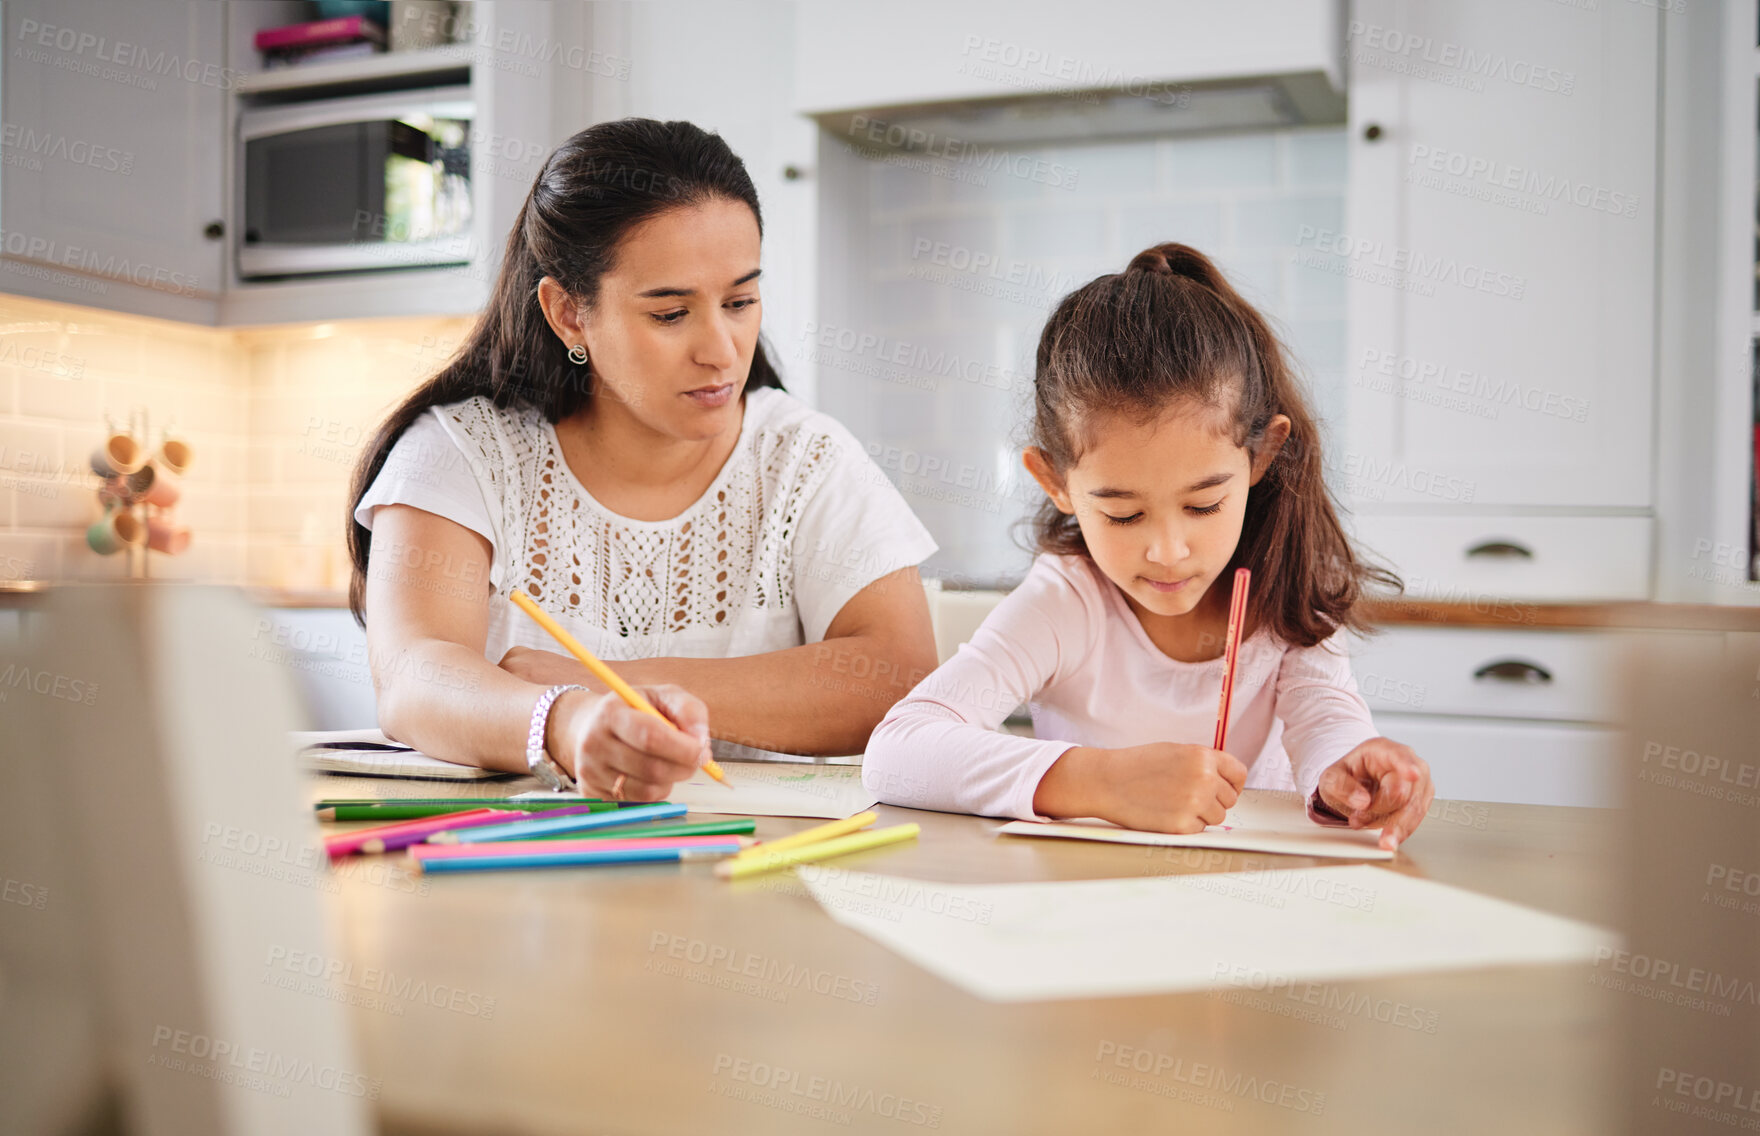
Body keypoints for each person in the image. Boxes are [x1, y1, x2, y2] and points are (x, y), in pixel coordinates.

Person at [347, 119, 938, 802]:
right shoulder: (458, 455)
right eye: (670, 314)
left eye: (740, 301)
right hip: (515, 876)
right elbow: (415, 677)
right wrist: (564, 722)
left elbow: (898, 675)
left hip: (746, 869)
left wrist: (600, 682)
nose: (721, 349)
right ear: (569, 313)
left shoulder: (806, 457)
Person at [862, 243, 1433, 851]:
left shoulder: (1285, 588)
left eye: (1204, 505)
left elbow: (1326, 723)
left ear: (1262, 455)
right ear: (1056, 482)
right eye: (1123, 513)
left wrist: (1348, 771)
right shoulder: (1067, 603)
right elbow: (899, 750)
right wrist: (1099, 781)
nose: (1167, 550)